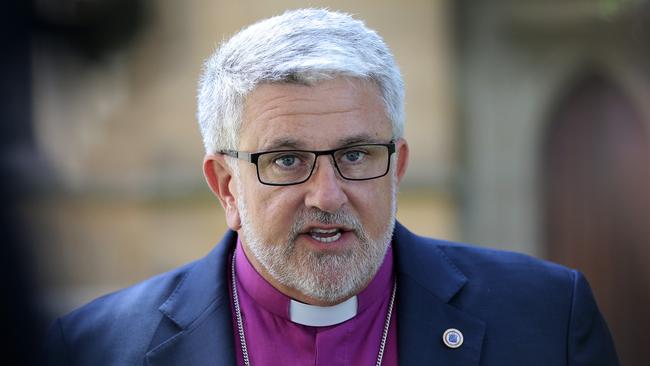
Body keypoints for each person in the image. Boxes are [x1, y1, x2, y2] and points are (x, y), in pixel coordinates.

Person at [45, 8, 619, 365]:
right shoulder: (97, 349)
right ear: (225, 185)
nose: (327, 195)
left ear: (396, 168)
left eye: (355, 154)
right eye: (288, 160)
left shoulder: (547, 321)